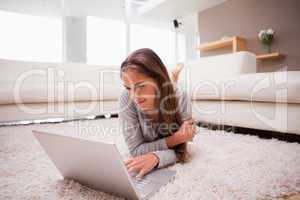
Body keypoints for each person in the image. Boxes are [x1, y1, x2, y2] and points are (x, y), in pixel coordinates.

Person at [118, 48, 196, 178]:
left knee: (173, 88)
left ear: (159, 80)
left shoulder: (181, 96)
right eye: (128, 88)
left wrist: (156, 158)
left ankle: (173, 77)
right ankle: (173, 77)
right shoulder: (126, 98)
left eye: (141, 86)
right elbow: (136, 150)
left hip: (169, 92)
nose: (134, 96)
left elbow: (182, 149)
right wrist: (175, 138)